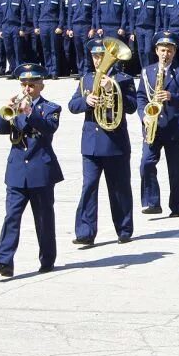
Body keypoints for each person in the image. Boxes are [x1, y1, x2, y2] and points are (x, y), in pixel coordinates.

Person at [0, 63, 63, 277]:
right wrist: (5, 112)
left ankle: (47, 258)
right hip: (17, 171)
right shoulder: (16, 107)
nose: (27, 89)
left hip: (41, 170)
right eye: (24, 84)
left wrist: (30, 113)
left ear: (41, 86)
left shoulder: (51, 108)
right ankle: (3, 262)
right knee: (11, 217)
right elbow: (0, 129)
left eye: (31, 85)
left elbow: (49, 128)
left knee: (43, 219)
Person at [68, 37, 138, 245]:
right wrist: (86, 101)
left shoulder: (124, 79)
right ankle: (85, 232)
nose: (98, 60)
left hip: (115, 142)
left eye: (101, 56)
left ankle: (124, 229)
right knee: (88, 187)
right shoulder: (86, 79)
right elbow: (72, 105)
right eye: (95, 56)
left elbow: (132, 107)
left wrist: (111, 91)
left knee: (119, 188)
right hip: (91, 143)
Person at [137, 31, 179, 217]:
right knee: (146, 163)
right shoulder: (147, 72)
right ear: (156, 50)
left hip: (175, 126)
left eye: (169, 51)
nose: (165, 54)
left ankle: (177, 207)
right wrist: (143, 116)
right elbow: (140, 96)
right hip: (152, 126)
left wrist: (172, 96)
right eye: (162, 50)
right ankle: (152, 202)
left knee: (177, 170)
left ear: (175, 51)